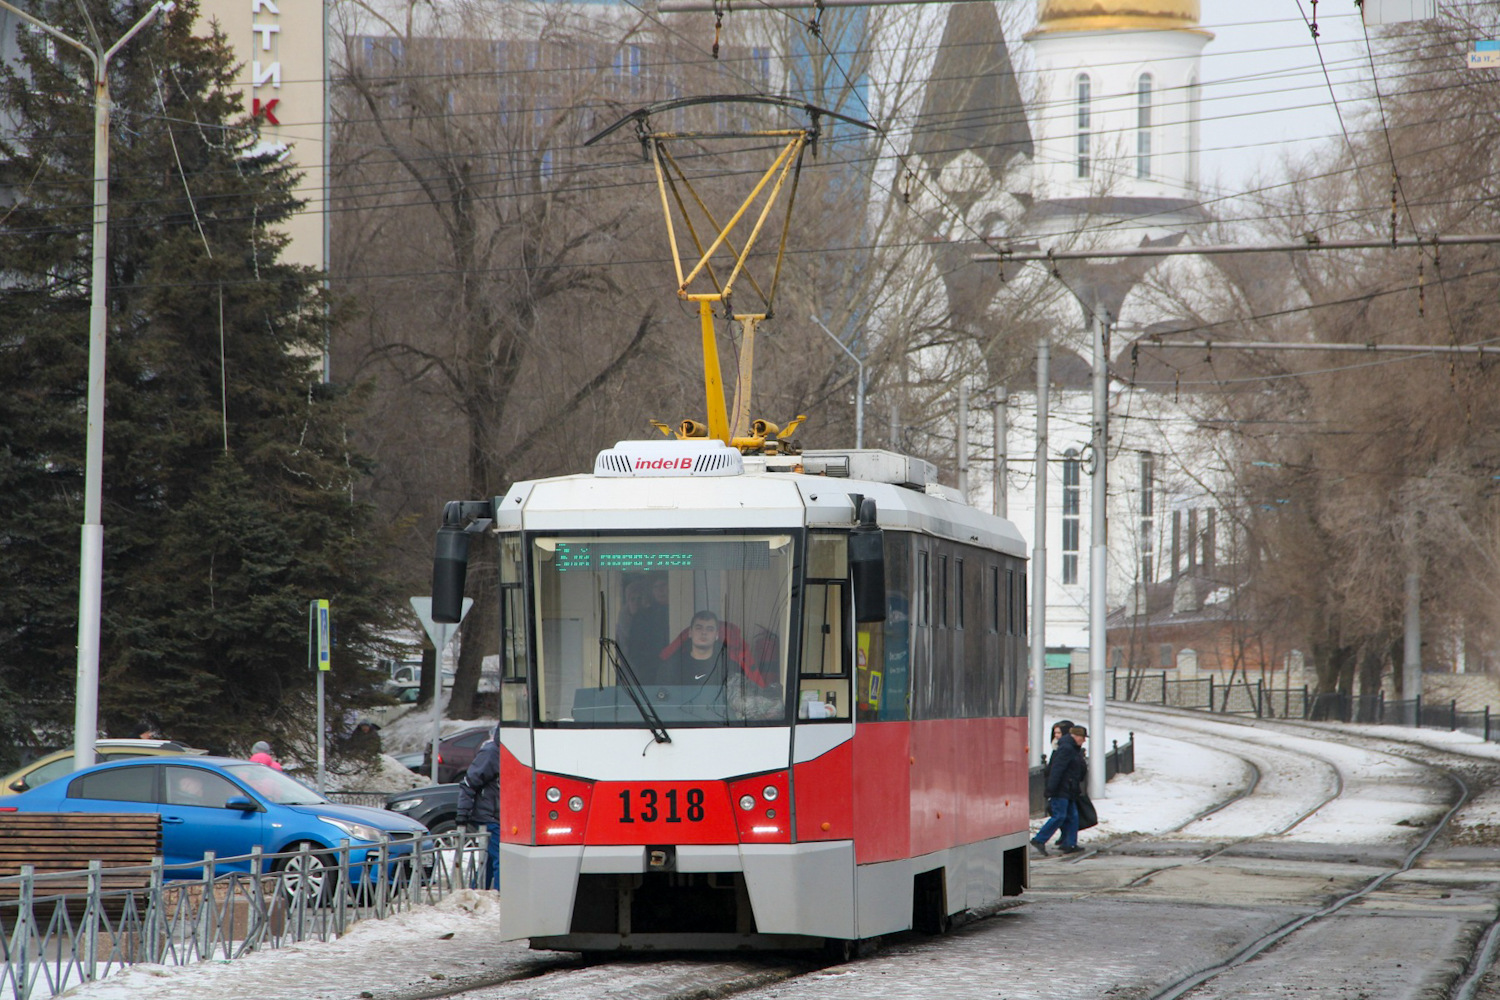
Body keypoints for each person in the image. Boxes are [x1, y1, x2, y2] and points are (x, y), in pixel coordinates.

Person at [1032, 724, 1087, 856]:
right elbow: (1057, 770)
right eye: (1083, 737)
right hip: (1061, 789)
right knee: (1059, 816)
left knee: (1073, 816)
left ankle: (1069, 843)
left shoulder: (1073, 748)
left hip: (1069, 789)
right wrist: (1051, 789)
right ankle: (1039, 839)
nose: (1084, 741)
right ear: (1076, 736)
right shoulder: (1067, 749)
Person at [456, 726, 500, 891]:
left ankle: (477, 893)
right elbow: (469, 783)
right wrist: (462, 813)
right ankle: (498, 898)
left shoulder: (509, 752)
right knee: (499, 858)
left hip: (499, 815)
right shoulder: (491, 753)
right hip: (489, 815)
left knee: (488, 858)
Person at [660, 610, 729, 687]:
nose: (704, 632)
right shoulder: (673, 666)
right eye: (699, 628)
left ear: (717, 635)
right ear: (690, 633)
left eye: (709, 629)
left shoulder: (726, 666)